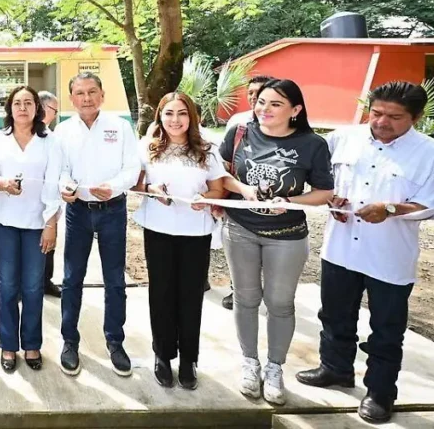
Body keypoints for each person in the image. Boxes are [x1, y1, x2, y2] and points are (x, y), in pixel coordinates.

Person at [296, 81, 434, 424]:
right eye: (377, 112)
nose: (382, 122)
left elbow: (432, 205)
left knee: (386, 329)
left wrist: (391, 209)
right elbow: (325, 186)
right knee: (335, 316)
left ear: (416, 117)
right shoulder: (343, 138)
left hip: (389, 256)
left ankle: (380, 393)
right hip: (340, 249)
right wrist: (333, 201)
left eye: (394, 117)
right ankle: (335, 368)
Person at [219, 78, 334, 405]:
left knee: (280, 303)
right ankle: (250, 362)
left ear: (295, 110)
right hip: (239, 229)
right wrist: (243, 189)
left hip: (287, 236)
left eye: (275, 104)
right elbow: (223, 173)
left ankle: (274, 367)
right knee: (245, 298)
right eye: (261, 102)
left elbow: (325, 192)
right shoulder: (240, 132)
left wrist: (292, 201)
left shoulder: (312, 144)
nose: (264, 109)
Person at [132, 92, 228, 390]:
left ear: (192, 117)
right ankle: (162, 355)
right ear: (160, 116)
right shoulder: (147, 148)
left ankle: (189, 359)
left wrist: (205, 198)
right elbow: (135, 184)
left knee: (190, 296)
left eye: (182, 113)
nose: (175, 120)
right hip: (157, 229)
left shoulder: (207, 150)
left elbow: (219, 190)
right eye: (169, 113)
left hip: (195, 232)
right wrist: (151, 187)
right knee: (161, 293)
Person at [56, 72, 140, 376]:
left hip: (112, 210)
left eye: (92, 92)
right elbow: (61, 170)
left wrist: (115, 186)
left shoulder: (119, 127)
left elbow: (132, 168)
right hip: (78, 211)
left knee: (115, 280)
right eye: (79, 93)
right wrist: (65, 187)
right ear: (72, 98)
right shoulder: (63, 131)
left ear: (102, 95)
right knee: (71, 278)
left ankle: (115, 342)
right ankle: (69, 341)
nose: (86, 98)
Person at [0, 86, 61, 372]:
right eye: (17, 103)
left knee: (33, 287)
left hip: (37, 224)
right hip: (4, 222)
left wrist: (51, 224)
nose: (22, 108)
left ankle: (32, 344)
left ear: (37, 108)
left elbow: (54, 183)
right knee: (7, 285)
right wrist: (3, 184)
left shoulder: (50, 142)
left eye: (28, 103)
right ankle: (8, 345)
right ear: (10, 108)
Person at [219, 74, 274, 310]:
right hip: (238, 201)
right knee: (239, 252)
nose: (254, 97)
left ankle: (271, 295)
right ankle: (237, 290)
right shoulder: (238, 123)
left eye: (259, 92)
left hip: (274, 205)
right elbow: (226, 161)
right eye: (250, 93)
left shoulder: (286, 125)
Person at [38, 90, 62, 298]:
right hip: (27, 202)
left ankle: (46, 281)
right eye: (54, 110)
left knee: (49, 243)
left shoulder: (53, 138)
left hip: (50, 201)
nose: (55, 114)